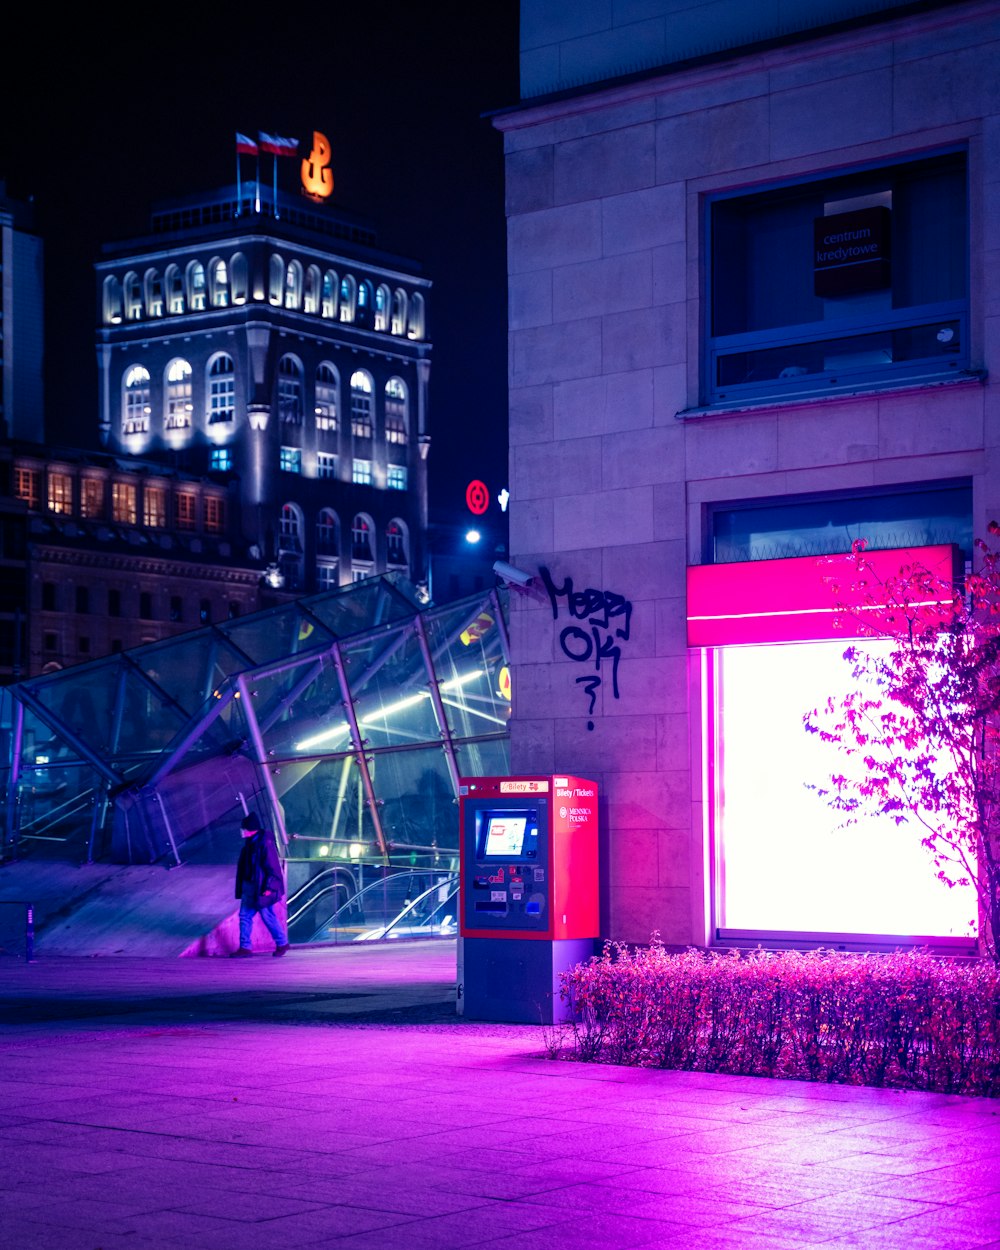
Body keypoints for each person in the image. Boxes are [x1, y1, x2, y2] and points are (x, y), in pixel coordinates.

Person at [232, 812, 289, 957]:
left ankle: (282, 943)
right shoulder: (250, 845)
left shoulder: (264, 844)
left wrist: (269, 888)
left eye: (243, 828)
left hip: (261, 888)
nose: (242, 831)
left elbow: (273, 867)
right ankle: (245, 947)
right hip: (250, 887)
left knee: (266, 915)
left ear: (250, 829)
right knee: (246, 916)